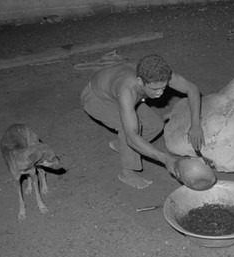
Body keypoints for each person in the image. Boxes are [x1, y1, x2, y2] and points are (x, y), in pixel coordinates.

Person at [81, 54, 204, 189]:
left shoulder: (159, 75)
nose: (160, 93)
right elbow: (132, 136)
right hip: (97, 98)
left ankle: (122, 146)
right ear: (140, 81)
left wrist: (196, 125)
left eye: (163, 87)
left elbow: (191, 89)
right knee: (130, 131)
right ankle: (127, 173)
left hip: (115, 87)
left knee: (155, 125)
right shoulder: (127, 90)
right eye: (155, 89)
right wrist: (165, 158)